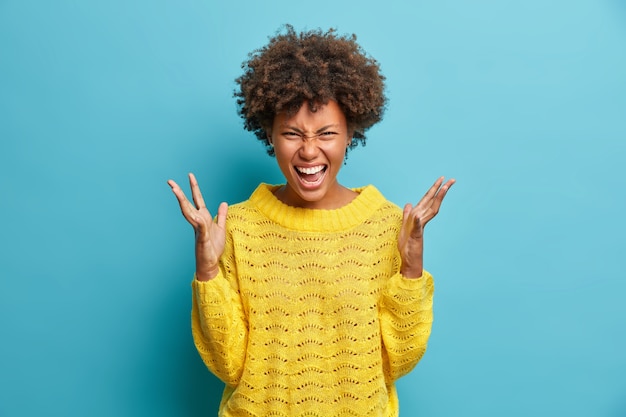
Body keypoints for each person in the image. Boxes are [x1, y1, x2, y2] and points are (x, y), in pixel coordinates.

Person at [168, 25, 455, 417]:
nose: (308, 150)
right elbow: (229, 365)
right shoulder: (235, 228)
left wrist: (410, 270)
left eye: (326, 133)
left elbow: (397, 363)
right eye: (291, 133)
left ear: (350, 132)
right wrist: (207, 271)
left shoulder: (390, 227)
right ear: (268, 133)